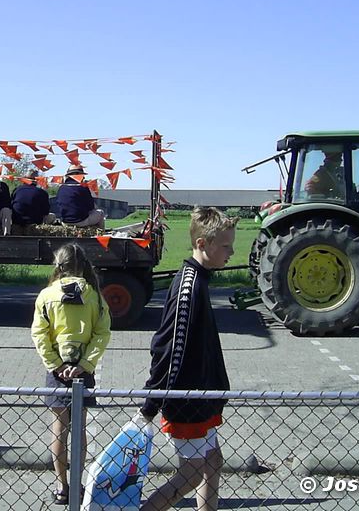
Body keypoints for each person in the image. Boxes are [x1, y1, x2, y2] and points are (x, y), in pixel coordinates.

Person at [138, 207, 237, 511]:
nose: (231, 252)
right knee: (191, 474)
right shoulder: (188, 287)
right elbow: (167, 349)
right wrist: (150, 405)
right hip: (186, 401)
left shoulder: (200, 281)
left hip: (201, 396)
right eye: (226, 246)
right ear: (202, 244)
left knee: (213, 460)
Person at [31, 243, 111, 505]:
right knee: (80, 428)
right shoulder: (95, 296)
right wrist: (85, 364)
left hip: (57, 373)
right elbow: (102, 333)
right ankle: (77, 484)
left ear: (58, 265)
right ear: (83, 264)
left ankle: (61, 486)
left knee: (59, 429)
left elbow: (39, 334)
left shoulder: (46, 295)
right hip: (82, 372)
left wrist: (55, 364)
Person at [55, 165, 105, 229]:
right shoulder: (82, 187)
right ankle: (100, 234)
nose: (83, 177)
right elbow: (91, 206)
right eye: (82, 175)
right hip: (80, 221)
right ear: (78, 175)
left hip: (65, 221)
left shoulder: (61, 188)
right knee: (100, 213)